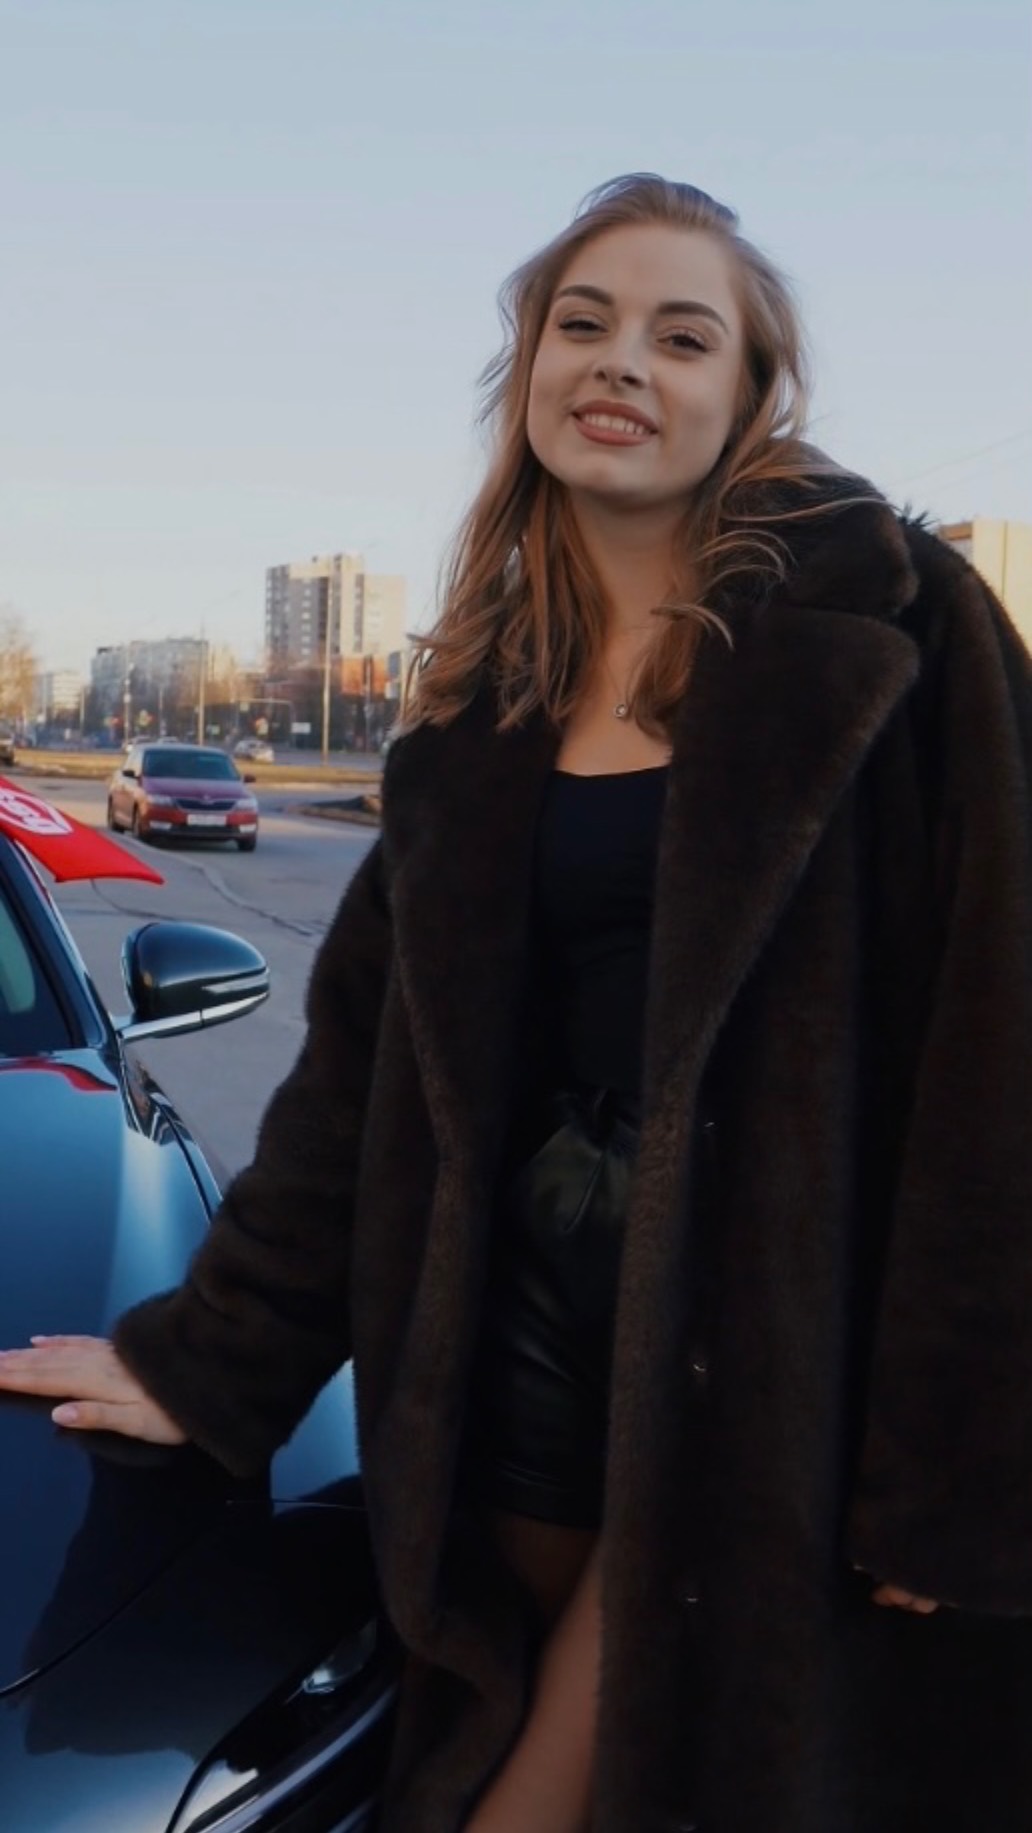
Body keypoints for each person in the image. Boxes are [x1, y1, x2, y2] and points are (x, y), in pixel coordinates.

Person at [4, 172, 1032, 1833]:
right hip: (511, 1392)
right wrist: (208, 1360)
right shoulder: (479, 710)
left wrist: (965, 1457)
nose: (621, 360)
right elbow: (358, 1090)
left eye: (682, 336)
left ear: (751, 392)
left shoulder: (899, 637)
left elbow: (999, 1051)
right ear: (532, 367)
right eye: (584, 321)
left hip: (769, 1393)